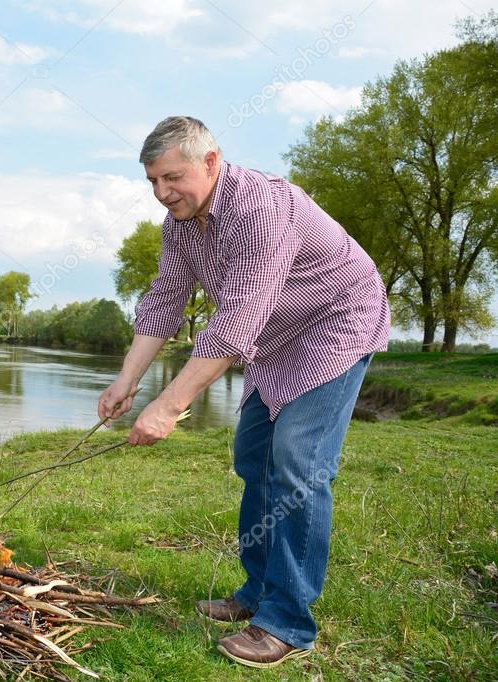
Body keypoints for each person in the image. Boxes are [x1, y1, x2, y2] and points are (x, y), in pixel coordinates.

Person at [98, 116, 390, 668]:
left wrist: (168, 405)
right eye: (153, 182)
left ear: (211, 161)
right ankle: (257, 590)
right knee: (252, 456)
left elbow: (235, 321)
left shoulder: (260, 206)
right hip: (275, 340)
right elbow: (165, 300)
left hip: (336, 325)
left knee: (297, 466)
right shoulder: (181, 224)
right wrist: (127, 381)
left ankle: (288, 621)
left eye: (172, 178)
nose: (163, 194)